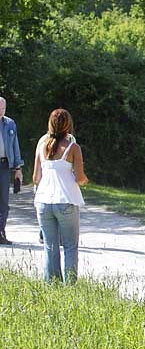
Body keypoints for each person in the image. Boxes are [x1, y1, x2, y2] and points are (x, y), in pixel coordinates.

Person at [33, 109, 88, 283]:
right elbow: (80, 179)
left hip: (43, 201)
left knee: (50, 246)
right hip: (65, 201)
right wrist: (85, 181)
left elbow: (36, 178)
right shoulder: (73, 148)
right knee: (71, 246)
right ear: (68, 126)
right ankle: (70, 285)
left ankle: (52, 284)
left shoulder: (42, 146)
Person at [0, 96, 24, 245]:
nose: (1, 111)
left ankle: (1, 232)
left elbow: (15, 147)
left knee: (3, 201)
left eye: (3, 108)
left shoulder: (10, 124)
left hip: (4, 165)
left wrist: (18, 169)